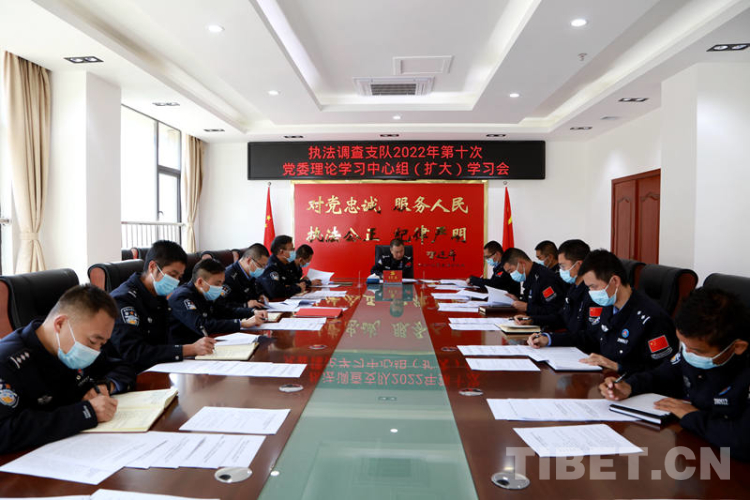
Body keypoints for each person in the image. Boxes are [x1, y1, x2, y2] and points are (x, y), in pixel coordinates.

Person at [601, 288, 750, 461]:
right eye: (683, 345)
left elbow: (742, 442)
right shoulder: (694, 348)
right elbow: (663, 375)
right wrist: (629, 386)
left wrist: (692, 416)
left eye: (696, 351)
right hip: (693, 450)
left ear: (737, 347)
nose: (687, 353)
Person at [0, 285, 136, 454]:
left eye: (102, 344)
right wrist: (85, 413)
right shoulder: (8, 363)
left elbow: (124, 367)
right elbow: (4, 432)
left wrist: (106, 385)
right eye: (93, 342)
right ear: (60, 324)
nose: (96, 351)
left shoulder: (74, 347)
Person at [540, 249, 677, 373]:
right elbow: (591, 337)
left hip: (630, 385)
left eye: (594, 287)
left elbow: (664, 371)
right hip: (605, 377)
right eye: (588, 288)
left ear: (615, 281)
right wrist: (550, 339)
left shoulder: (652, 318)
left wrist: (618, 366)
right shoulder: (609, 305)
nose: (590, 293)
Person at [106, 240, 215, 372]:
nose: (176, 281)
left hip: (161, 367)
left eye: (179, 276)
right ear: (152, 267)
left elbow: (165, 341)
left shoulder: (158, 295)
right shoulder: (123, 300)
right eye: (172, 275)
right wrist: (189, 349)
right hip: (131, 374)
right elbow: (134, 353)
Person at [168, 259, 267, 344]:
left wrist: (252, 312)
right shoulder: (182, 297)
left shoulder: (206, 292)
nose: (220, 287)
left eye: (222, 283)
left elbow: (226, 311)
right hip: (187, 348)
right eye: (217, 283)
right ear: (200, 282)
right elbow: (202, 326)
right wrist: (241, 324)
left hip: (207, 341)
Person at [522, 239, 592, 335]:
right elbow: (561, 317)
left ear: (579, 265)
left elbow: (585, 335)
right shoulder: (573, 287)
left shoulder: (591, 293)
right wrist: (532, 320)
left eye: (563, 266)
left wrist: (551, 339)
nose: (561, 270)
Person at [500, 248, 566, 316]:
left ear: (522, 263)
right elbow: (531, 303)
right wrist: (517, 301)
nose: (511, 275)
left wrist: (527, 308)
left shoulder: (545, 278)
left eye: (511, 271)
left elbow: (554, 311)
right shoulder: (530, 277)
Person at [258, 235, 309, 299]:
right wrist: (297, 288)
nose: (294, 252)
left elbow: (294, 282)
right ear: (282, 252)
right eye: (291, 249)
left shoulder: (287, 263)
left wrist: (290, 287)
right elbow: (275, 292)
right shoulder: (271, 267)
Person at [223, 243, 269, 308]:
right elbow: (221, 305)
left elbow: (255, 292)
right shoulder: (228, 276)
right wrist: (245, 305)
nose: (263, 269)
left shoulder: (251, 275)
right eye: (261, 266)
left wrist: (260, 296)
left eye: (265, 266)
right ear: (249, 261)